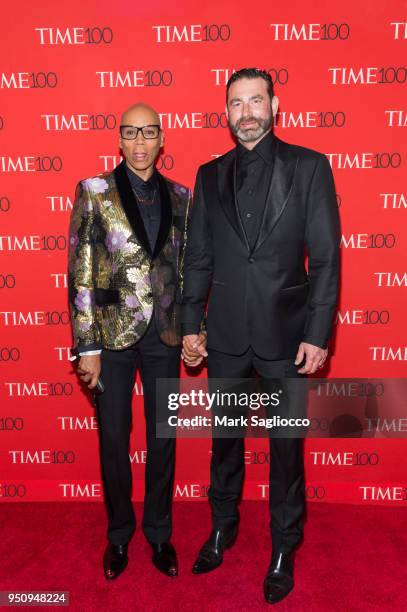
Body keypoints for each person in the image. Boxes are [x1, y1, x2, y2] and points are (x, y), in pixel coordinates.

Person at [181, 68, 340, 604]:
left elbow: (325, 258)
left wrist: (319, 332)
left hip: (287, 339)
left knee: (287, 453)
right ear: (225, 112)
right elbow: (198, 257)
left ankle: (283, 547)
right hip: (224, 337)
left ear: (275, 104)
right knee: (223, 447)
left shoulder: (310, 168)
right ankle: (222, 527)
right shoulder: (209, 175)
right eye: (235, 104)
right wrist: (189, 326)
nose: (246, 112)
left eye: (255, 101)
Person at [68, 103, 204, 580]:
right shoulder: (94, 192)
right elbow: (81, 272)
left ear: (161, 138)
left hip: (165, 335)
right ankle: (120, 536)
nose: (141, 141)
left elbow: (189, 271)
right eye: (131, 133)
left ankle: (160, 533)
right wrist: (86, 347)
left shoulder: (183, 196)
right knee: (113, 440)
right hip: (111, 338)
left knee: (163, 439)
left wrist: (194, 327)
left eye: (149, 132)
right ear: (119, 140)